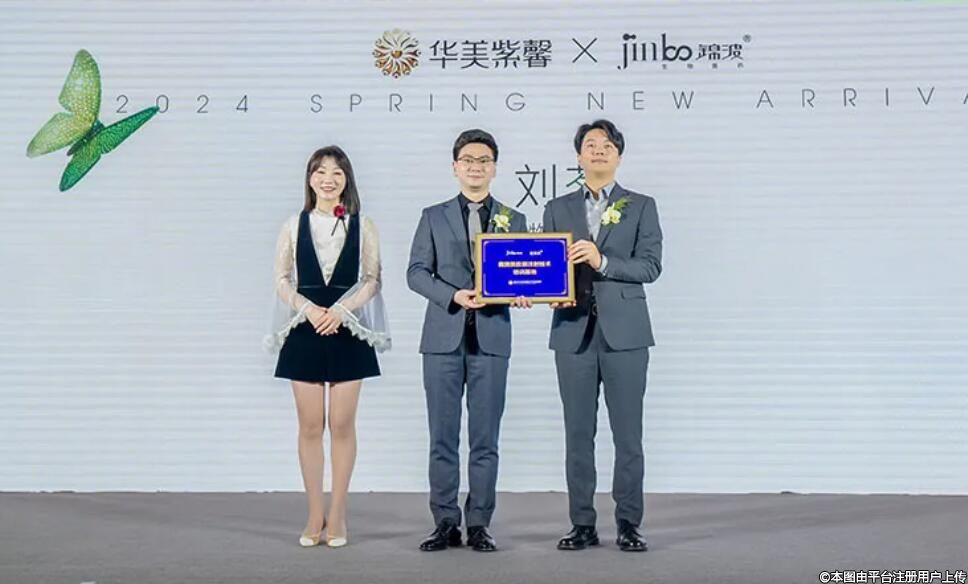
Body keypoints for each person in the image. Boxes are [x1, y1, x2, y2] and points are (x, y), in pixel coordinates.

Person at [542, 119, 662, 552]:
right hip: (572, 332)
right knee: (577, 435)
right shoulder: (557, 208)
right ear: (578, 156)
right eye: (590, 144)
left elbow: (650, 266)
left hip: (626, 335)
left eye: (607, 145)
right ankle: (582, 524)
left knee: (628, 436)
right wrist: (544, 292)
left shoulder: (641, 205)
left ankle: (629, 524)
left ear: (618, 156)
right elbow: (548, 266)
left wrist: (603, 261)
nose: (598, 150)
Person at [406, 129, 529, 552]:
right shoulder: (432, 216)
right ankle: (445, 522)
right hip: (443, 337)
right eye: (469, 160)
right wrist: (453, 295)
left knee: (485, 439)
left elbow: (524, 271)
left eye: (484, 160)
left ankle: (479, 523)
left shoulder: (514, 219)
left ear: (495, 168)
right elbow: (416, 273)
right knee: (442, 437)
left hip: (491, 337)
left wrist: (524, 291)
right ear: (455, 167)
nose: (476, 167)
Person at [266, 145, 391, 548]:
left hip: (348, 330)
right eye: (321, 171)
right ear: (310, 178)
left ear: (347, 179)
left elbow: (372, 278)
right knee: (309, 426)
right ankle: (314, 514)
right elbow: (282, 279)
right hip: (304, 329)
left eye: (337, 172)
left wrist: (341, 310)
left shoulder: (363, 224)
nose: (328, 179)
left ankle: (337, 514)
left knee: (341, 424)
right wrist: (308, 309)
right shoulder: (293, 224)